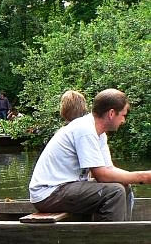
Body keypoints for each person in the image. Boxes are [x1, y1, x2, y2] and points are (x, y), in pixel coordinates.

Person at [29, 88, 151, 221]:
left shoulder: (99, 133)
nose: (124, 121)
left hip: (66, 188)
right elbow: (102, 175)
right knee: (115, 191)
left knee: (124, 186)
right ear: (111, 113)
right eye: (123, 115)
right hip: (48, 193)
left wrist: (141, 176)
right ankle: (109, 240)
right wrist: (144, 176)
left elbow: (109, 169)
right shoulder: (85, 129)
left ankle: (121, 233)